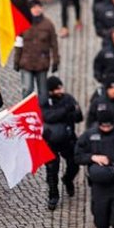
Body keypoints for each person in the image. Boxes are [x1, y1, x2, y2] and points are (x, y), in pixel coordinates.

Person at [41, 76, 82, 210]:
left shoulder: (68, 98)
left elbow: (78, 117)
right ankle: (53, 196)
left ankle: (68, 179)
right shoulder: (43, 101)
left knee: (74, 164)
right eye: (57, 89)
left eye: (61, 87)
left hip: (68, 139)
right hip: (50, 142)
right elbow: (48, 117)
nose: (61, 90)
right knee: (52, 171)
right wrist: (65, 111)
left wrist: (75, 111)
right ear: (51, 91)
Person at [13, 0, 59, 102]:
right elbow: (18, 43)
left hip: (42, 63)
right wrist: (16, 61)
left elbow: (54, 44)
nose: (36, 10)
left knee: (43, 91)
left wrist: (56, 61)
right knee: (27, 89)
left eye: (38, 7)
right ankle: (26, 109)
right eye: (34, 8)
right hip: (26, 62)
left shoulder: (48, 24)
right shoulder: (23, 23)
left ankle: (43, 112)